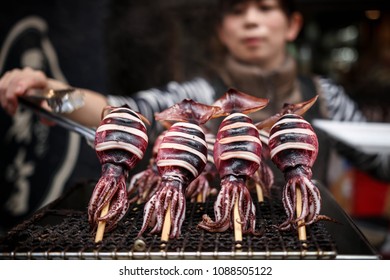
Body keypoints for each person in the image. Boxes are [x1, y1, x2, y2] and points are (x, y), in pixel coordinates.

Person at [1, 0, 389, 230]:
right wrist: (47, 92)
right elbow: (122, 112)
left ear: (293, 25)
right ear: (222, 29)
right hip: (214, 243)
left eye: (266, 8)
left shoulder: (326, 95)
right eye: (237, 12)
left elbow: (378, 157)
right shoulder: (200, 96)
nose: (251, 20)